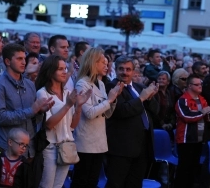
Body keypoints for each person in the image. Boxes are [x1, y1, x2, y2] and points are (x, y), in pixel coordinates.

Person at [35, 54, 91, 188]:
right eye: (60, 69)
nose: (64, 71)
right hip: (50, 147)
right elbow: (48, 124)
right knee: (46, 185)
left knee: (59, 185)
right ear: (50, 71)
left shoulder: (67, 93)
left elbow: (72, 125)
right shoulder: (43, 93)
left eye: (65, 68)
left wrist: (78, 107)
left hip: (66, 146)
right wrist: (67, 105)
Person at [0, 43, 54, 154]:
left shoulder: (30, 84)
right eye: (19, 59)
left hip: (29, 148)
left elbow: (33, 119)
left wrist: (39, 112)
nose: (24, 62)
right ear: (8, 62)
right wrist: (31, 111)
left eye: (24, 58)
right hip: (8, 149)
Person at [71, 48, 123, 188]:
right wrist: (109, 100)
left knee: (93, 181)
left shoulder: (100, 83)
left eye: (107, 63)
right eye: (102, 63)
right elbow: (89, 113)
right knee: (82, 180)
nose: (106, 66)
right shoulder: (82, 83)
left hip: (99, 141)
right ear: (93, 63)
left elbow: (107, 114)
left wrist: (114, 98)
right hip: (86, 142)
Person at [105, 55, 159, 188]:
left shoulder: (139, 87)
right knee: (116, 183)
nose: (125, 72)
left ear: (134, 71)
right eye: (121, 69)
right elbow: (121, 111)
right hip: (121, 147)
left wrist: (150, 98)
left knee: (135, 183)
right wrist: (141, 99)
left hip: (142, 145)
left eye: (128, 69)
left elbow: (155, 111)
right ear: (115, 70)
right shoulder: (111, 87)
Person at [175, 74, 210, 188]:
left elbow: (205, 116)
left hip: (198, 139)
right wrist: (202, 112)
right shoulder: (183, 100)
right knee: (184, 170)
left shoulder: (202, 99)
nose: (200, 86)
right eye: (197, 84)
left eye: (201, 84)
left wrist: (207, 113)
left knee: (193, 169)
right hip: (186, 139)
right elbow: (186, 116)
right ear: (189, 86)